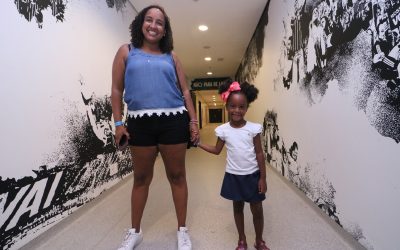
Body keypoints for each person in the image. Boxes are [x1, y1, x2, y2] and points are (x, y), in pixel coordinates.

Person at [111, 5, 199, 250]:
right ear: (141, 23)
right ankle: (134, 232)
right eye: (149, 20)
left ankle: (182, 231)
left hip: (173, 121)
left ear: (164, 30)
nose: (153, 25)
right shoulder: (126, 52)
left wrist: (193, 122)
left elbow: (184, 92)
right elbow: (116, 91)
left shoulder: (172, 57)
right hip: (140, 123)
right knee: (141, 178)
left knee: (177, 176)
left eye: (159, 22)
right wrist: (119, 124)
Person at [197, 80, 269, 250]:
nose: (237, 110)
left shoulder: (253, 129)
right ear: (227, 107)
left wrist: (263, 178)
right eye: (233, 106)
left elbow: (259, 153)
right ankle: (242, 240)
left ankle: (259, 241)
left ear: (246, 108)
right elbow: (216, 150)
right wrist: (199, 143)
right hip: (233, 176)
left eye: (241, 107)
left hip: (252, 176)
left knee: (257, 209)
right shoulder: (223, 130)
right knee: (238, 208)